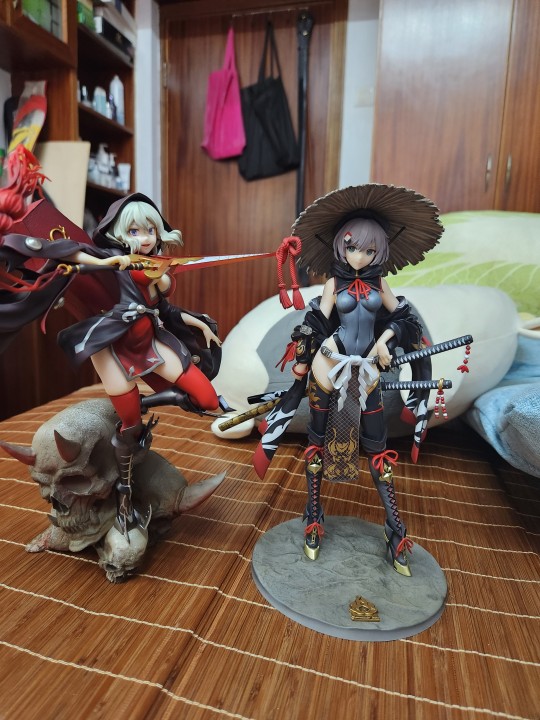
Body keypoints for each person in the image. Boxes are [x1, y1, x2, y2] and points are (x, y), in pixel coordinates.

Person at [1, 187, 224, 542]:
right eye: (135, 230)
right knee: (130, 425)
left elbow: (165, 309)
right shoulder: (115, 258)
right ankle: (124, 492)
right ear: (121, 233)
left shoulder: (157, 266)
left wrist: (199, 323)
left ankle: (153, 402)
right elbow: (75, 253)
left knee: (207, 399)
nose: (144, 237)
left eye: (150, 230)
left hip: (150, 341)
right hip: (112, 344)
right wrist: (106, 262)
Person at [254, 184, 444, 576]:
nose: (359, 256)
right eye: (353, 247)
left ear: (380, 251)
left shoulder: (380, 285)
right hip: (330, 363)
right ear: (341, 246)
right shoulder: (333, 285)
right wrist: (303, 357)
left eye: (369, 250)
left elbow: (403, 318)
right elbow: (317, 320)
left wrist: (386, 340)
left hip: (367, 370)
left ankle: (395, 530)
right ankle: (313, 516)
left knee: (378, 451)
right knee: (316, 444)